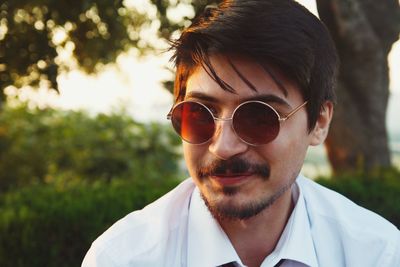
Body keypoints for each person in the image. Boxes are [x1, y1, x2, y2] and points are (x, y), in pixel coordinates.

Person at [82, 1, 400, 266]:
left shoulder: (376, 254)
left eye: (259, 117)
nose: (223, 147)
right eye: (199, 115)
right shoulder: (122, 258)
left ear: (318, 122)